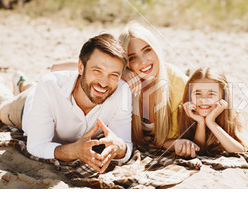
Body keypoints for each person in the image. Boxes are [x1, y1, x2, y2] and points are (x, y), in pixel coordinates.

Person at [0, 33, 133, 173]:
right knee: (2, 106)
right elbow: (36, 146)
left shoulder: (122, 91)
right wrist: (73, 151)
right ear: (80, 66)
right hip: (26, 107)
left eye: (113, 75)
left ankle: (23, 83)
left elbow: (125, 145)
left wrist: (119, 148)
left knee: (34, 88)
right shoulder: (49, 85)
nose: (104, 83)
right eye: (97, 71)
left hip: (42, 94)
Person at [52, 23, 188, 152]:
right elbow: (56, 68)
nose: (143, 61)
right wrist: (120, 71)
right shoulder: (119, 80)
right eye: (132, 57)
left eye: (147, 50)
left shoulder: (176, 81)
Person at [176, 67, 247, 158]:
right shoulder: (182, 111)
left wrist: (211, 122)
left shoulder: (235, 116)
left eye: (211, 94)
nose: (204, 100)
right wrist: (201, 123)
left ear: (223, 96)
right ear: (189, 95)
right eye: (198, 94)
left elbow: (239, 151)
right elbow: (199, 152)